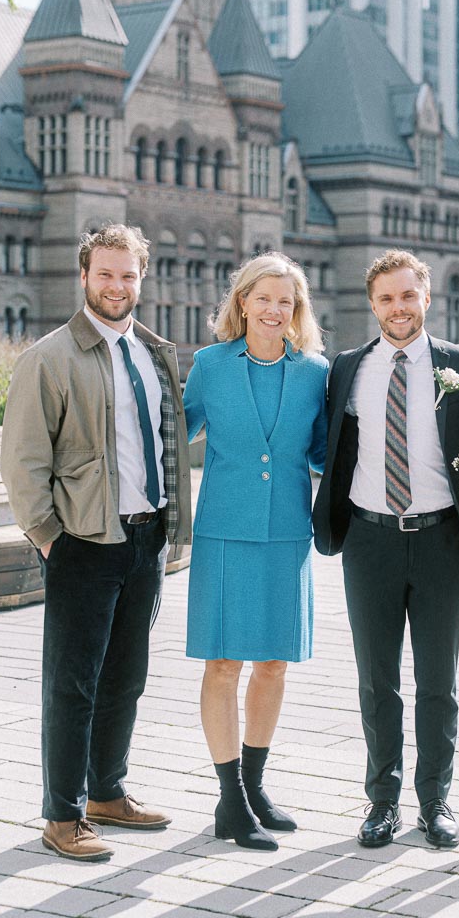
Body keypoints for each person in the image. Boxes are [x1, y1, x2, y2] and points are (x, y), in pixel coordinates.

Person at [0, 224, 191, 862]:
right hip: (84, 541)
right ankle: (62, 814)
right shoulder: (49, 357)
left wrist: (168, 528)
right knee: (72, 682)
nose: (117, 286)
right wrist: (52, 541)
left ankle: (108, 789)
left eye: (128, 275)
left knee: (125, 676)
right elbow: (24, 464)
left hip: (144, 538)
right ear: (84, 277)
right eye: (105, 274)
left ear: (142, 279)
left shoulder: (151, 353)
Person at [313, 250, 459, 850]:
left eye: (408, 296)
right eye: (387, 299)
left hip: (442, 540)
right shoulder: (346, 369)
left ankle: (436, 801)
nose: (399, 308)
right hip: (369, 540)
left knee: (438, 684)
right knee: (376, 681)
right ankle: (381, 803)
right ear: (372, 304)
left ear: (427, 299)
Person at [183, 252, 328, 852]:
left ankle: (256, 786)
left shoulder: (315, 372)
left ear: (297, 313)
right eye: (263, 298)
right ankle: (229, 801)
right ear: (241, 301)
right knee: (223, 664)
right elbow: (171, 437)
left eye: (285, 302)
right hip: (224, 532)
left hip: (287, 534)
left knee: (273, 662)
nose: (274, 309)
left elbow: (327, 454)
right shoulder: (209, 367)